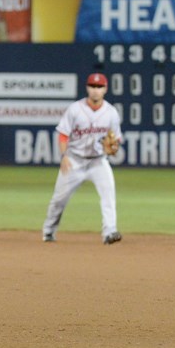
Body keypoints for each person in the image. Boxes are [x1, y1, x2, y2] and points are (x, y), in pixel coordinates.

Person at [41, 72, 123, 245]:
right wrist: (64, 156)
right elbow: (63, 134)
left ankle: (110, 232)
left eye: (99, 87)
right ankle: (48, 231)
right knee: (59, 200)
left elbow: (116, 140)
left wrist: (114, 147)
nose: (95, 90)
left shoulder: (111, 113)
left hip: (98, 162)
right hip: (74, 160)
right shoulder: (75, 109)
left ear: (105, 89)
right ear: (87, 88)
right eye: (92, 86)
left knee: (108, 195)